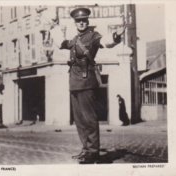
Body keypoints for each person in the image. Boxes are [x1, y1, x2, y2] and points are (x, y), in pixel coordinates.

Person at [51, 7, 124, 163]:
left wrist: (116, 37)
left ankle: (93, 151)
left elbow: (105, 42)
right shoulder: (75, 39)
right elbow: (62, 43)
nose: (81, 23)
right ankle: (86, 149)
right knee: (79, 120)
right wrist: (54, 27)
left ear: (87, 21)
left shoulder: (93, 36)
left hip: (86, 82)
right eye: (78, 21)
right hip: (74, 83)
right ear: (75, 23)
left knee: (89, 118)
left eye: (84, 20)